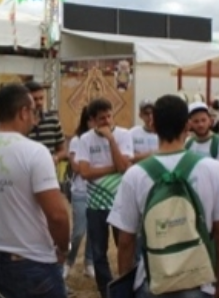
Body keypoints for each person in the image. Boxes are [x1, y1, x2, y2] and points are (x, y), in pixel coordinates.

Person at [108, 95, 219, 298]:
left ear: (153, 124)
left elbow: (125, 241)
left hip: (152, 280)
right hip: (200, 282)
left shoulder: (135, 175)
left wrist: (126, 286)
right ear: (187, 125)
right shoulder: (215, 170)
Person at [0, 83, 70, 297]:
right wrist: (63, 248)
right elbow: (57, 215)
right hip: (33, 261)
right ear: (23, 112)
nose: (35, 117)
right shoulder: (35, 153)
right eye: (33, 111)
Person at [74, 98, 134, 297]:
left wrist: (111, 140)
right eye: (102, 118)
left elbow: (125, 168)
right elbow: (84, 172)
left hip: (120, 201)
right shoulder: (85, 139)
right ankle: (106, 290)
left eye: (109, 116)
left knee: (125, 247)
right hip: (95, 203)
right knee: (99, 252)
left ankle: (127, 287)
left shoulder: (124, 135)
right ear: (92, 120)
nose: (107, 121)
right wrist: (113, 168)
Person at [64, 107, 95, 279]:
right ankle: (69, 261)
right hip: (80, 190)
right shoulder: (77, 140)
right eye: (91, 119)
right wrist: (96, 168)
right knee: (78, 231)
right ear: (86, 120)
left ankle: (89, 263)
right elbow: (76, 166)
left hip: (97, 191)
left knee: (94, 230)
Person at [26, 80, 67, 162]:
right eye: (35, 99)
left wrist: (56, 158)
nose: (39, 102)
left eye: (41, 98)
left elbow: (63, 150)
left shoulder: (53, 120)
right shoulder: (20, 123)